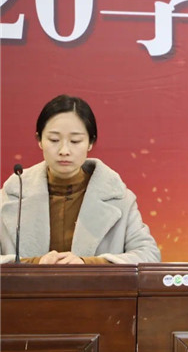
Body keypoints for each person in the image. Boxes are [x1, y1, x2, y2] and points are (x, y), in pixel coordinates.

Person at [0, 94, 161, 264]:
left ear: (90, 142)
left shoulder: (119, 199)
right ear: (39, 140)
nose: (64, 150)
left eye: (75, 141)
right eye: (54, 140)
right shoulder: (9, 197)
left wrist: (88, 264)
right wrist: (33, 263)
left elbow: (149, 255)